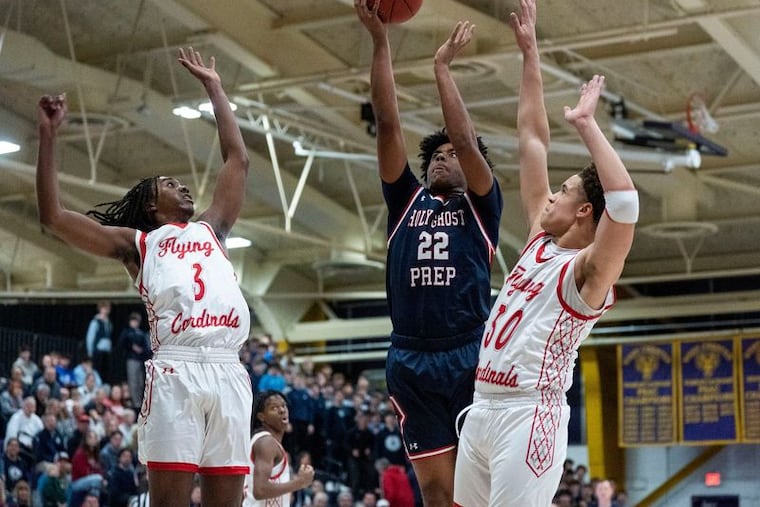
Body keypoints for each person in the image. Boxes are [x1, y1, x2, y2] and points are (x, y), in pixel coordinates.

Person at [36, 46, 252, 507]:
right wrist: (48, 136)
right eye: (170, 184)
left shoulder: (213, 228)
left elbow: (238, 161)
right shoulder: (138, 244)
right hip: (176, 369)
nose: (184, 186)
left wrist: (215, 88)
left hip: (230, 369)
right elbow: (53, 217)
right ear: (152, 206)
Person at [453, 1, 638, 506]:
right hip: (483, 405)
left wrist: (587, 125)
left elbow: (625, 206)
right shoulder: (540, 237)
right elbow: (532, 138)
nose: (550, 195)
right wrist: (530, 55)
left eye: (563, 191)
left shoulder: (588, 273)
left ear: (583, 213)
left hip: (529, 413)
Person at [354, 3, 503, 505]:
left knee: (475, 484)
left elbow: (462, 137)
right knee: (437, 490)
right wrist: (380, 42)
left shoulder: (482, 205)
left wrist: (442, 67)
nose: (445, 157)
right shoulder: (405, 202)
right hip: (411, 356)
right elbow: (388, 124)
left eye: (454, 155)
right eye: (436, 155)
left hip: (469, 352)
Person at [242, 390, 315, 507]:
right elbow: (260, 490)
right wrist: (300, 483)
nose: (282, 410)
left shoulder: (264, 441)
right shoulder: (266, 442)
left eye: (283, 405)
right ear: (261, 416)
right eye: (274, 408)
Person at [119, 312, 152, 409]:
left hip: (140, 360)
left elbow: (146, 348)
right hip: (131, 359)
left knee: (140, 382)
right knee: (133, 382)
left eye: (136, 321)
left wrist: (142, 350)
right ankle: (135, 403)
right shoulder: (126, 332)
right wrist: (132, 347)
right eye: (133, 320)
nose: (135, 323)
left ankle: (140, 402)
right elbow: (122, 344)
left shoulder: (141, 333)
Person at [85, 302, 114, 385]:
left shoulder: (108, 322)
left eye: (108, 309)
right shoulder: (96, 321)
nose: (106, 310)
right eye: (104, 308)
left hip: (106, 351)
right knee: (97, 371)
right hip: (98, 351)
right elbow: (90, 337)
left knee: (106, 372)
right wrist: (90, 351)